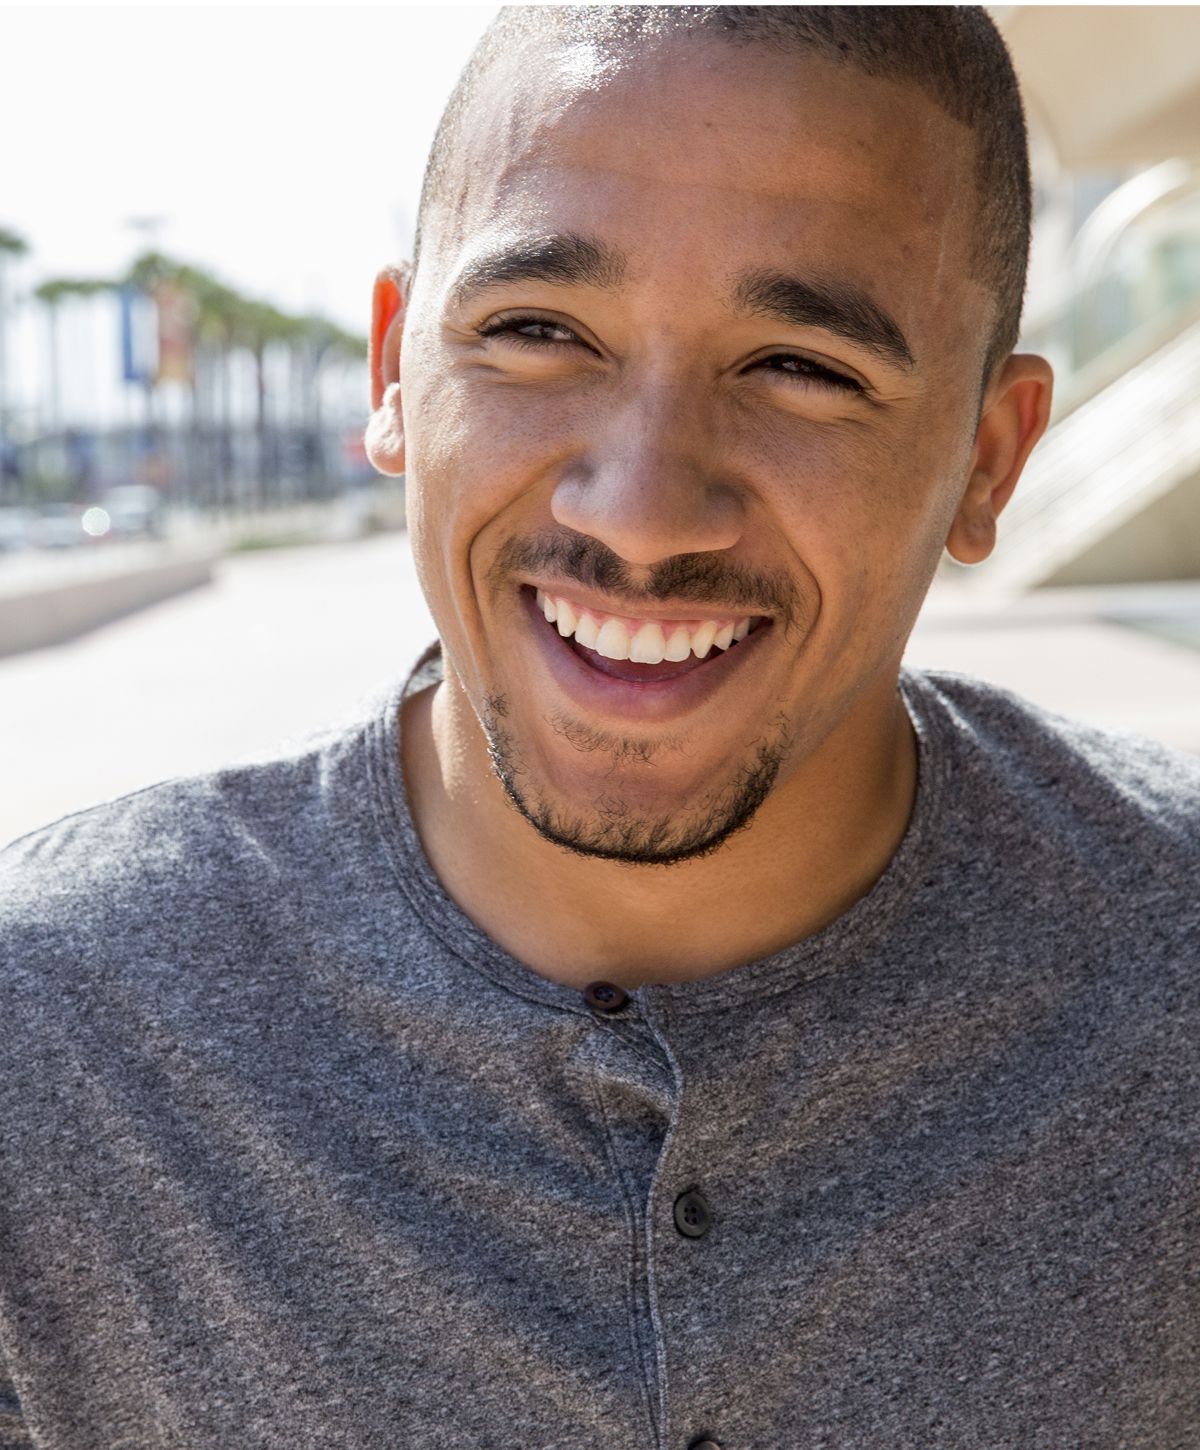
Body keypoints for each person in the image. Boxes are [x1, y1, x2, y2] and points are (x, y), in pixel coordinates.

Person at [1, 7, 1196, 1446]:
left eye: (802, 366)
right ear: (394, 375)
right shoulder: (58, 1031)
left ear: (987, 459)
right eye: (538, 333)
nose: (637, 509)